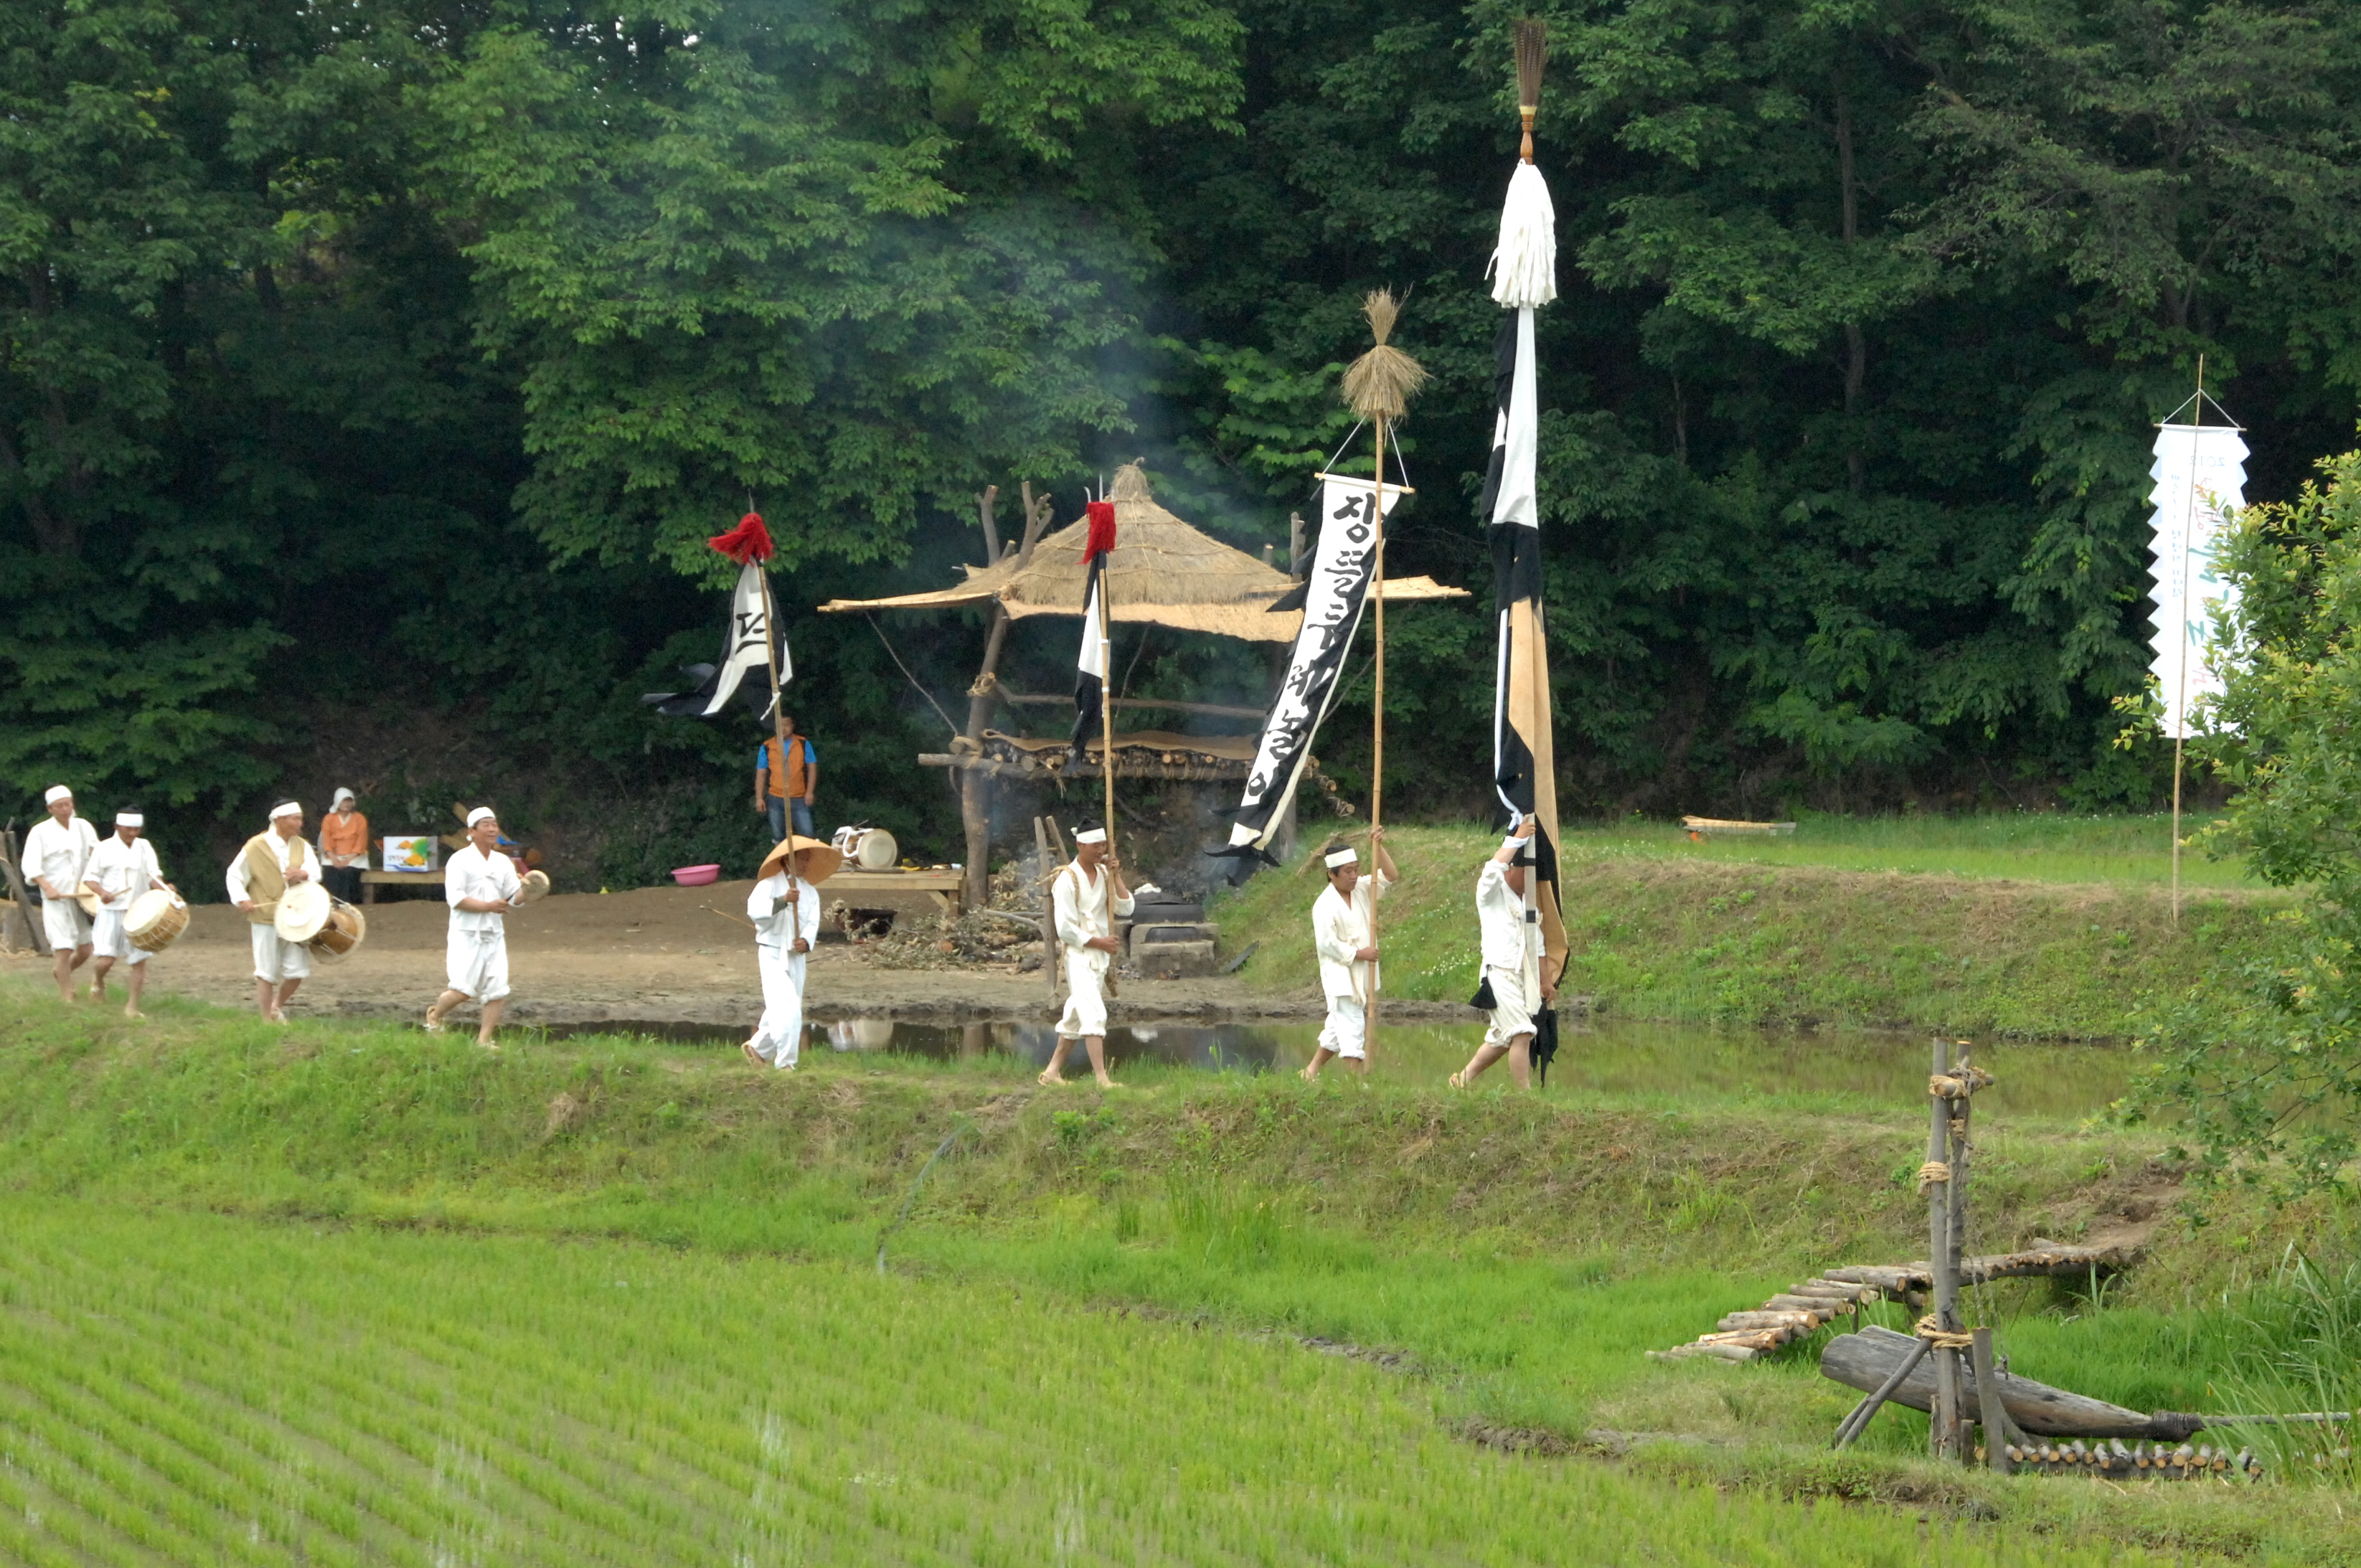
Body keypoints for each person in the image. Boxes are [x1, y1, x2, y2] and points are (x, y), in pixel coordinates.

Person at [1451, 816, 1556, 1091]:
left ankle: (1462, 1080)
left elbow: (1539, 946)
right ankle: (1526, 1096)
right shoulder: (1490, 894)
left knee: (1501, 1038)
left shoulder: (1529, 902)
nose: (1530, 879)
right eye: (1526, 871)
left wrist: (1545, 981)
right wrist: (1518, 837)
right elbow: (1492, 868)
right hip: (1498, 973)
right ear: (1512, 868)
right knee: (1522, 1032)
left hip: (1523, 978)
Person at [1301, 827, 1398, 1081]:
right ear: (1332, 875)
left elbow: (1391, 875)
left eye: (1356, 869)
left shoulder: (1363, 888)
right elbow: (1326, 944)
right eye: (1348, 872)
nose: (1354, 876)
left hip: (1360, 971)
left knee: (1337, 1026)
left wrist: (1378, 846)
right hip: (1340, 975)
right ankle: (1353, 1084)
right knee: (1353, 1025)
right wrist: (1359, 953)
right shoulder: (1324, 904)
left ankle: (1310, 1072)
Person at [1042, 820, 1133, 1088]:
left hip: (1100, 958)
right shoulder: (1066, 880)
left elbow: (1126, 909)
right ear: (1080, 845)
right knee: (1093, 1012)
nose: (1100, 849)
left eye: (1103, 844)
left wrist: (1116, 875)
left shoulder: (1105, 873)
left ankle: (1051, 1073)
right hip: (1079, 956)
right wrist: (1100, 942)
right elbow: (1066, 930)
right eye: (1095, 845)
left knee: (1075, 1013)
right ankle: (1102, 1079)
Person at [426, 806, 524, 1047]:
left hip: (494, 934)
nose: (492, 829)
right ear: (472, 831)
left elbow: (514, 897)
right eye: (486, 825)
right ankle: (435, 1015)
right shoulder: (459, 860)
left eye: (494, 824)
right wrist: (488, 906)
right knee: (462, 991)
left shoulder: (503, 862)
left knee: (497, 989)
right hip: (466, 933)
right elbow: (456, 900)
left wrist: (531, 889)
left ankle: (484, 1041)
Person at [742, 834, 837, 1070]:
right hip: (772, 953)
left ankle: (757, 1049)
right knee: (790, 1007)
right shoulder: (768, 885)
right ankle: (786, 1063)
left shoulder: (810, 893)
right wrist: (783, 901)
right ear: (788, 860)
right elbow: (756, 912)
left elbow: (812, 924)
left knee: (780, 1008)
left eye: (807, 860)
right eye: (802, 859)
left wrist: (805, 941)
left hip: (796, 958)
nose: (806, 864)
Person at [228, 800, 327, 1024]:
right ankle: (266, 1020)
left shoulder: (301, 845)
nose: (300, 824)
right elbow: (234, 874)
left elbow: (315, 873)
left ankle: (276, 1007)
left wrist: (303, 874)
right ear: (279, 819)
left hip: (297, 917)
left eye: (300, 818)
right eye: (295, 818)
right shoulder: (256, 846)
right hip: (266, 917)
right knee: (266, 971)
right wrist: (241, 898)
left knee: (298, 971)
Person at [83, 809, 174, 1019]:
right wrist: (103, 893)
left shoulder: (145, 847)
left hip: (139, 912)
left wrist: (164, 888)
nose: (133, 833)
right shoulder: (104, 848)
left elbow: (153, 876)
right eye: (128, 829)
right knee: (106, 960)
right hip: (111, 912)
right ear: (117, 827)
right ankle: (98, 980)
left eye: (136, 829)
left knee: (138, 961)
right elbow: (89, 878)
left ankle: (132, 1007)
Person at [25, 784, 98, 1003]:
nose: (65, 809)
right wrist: (46, 886)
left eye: (68, 804)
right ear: (50, 808)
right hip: (56, 898)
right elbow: (30, 864)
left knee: (86, 949)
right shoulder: (40, 832)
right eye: (60, 806)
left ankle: (61, 972)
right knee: (63, 948)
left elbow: (96, 854)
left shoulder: (83, 827)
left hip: (81, 896)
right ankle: (67, 996)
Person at [754, 715, 819, 841]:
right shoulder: (767, 746)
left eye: (786, 725)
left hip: (799, 797)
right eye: (779, 725)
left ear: (792, 726)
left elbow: (812, 768)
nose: (783, 728)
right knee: (779, 836)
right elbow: (761, 773)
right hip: (775, 797)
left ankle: (808, 859)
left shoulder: (803, 743)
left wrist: (810, 792)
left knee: (808, 834)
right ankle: (784, 860)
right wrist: (759, 798)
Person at [319, 787, 369, 905]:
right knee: (330, 872)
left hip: (354, 857)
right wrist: (333, 858)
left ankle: (347, 903)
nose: (346, 804)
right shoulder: (328, 819)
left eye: (349, 801)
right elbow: (326, 840)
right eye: (343, 801)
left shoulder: (360, 819)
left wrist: (349, 858)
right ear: (337, 802)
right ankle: (331, 903)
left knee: (349, 872)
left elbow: (361, 841)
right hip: (333, 855)